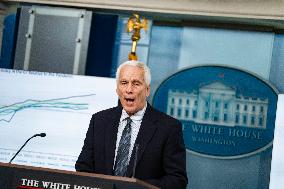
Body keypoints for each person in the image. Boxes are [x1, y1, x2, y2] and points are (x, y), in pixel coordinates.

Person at [75, 60, 188, 189]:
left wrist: (137, 187)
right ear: (117, 89)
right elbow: (83, 167)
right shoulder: (99, 121)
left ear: (147, 90)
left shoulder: (169, 128)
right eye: (124, 83)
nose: (129, 89)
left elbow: (177, 181)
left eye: (136, 83)